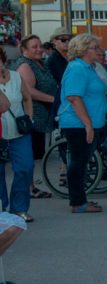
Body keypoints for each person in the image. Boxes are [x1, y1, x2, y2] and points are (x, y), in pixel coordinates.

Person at [58, 34, 107, 214]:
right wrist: (87, 124)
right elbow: (73, 97)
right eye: (94, 47)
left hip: (90, 122)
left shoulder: (88, 68)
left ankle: (80, 199)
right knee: (79, 162)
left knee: (82, 161)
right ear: (83, 50)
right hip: (78, 123)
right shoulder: (77, 68)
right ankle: (78, 202)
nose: (98, 50)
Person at [10, 35, 57, 198]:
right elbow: (28, 91)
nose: (39, 49)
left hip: (40, 115)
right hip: (30, 116)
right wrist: (54, 99)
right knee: (27, 155)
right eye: (34, 47)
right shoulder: (25, 65)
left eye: (40, 46)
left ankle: (30, 187)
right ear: (24, 50)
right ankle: (28, 188)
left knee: (32, 155)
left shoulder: (38, 63)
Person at [0, 48, 33, 222]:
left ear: (3, 60)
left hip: (19, 132)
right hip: (0, 134)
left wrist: (29, 118)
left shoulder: (16, 77)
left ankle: (19, 208)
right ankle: (2, 209)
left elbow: (27, 98)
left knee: (25, 168)